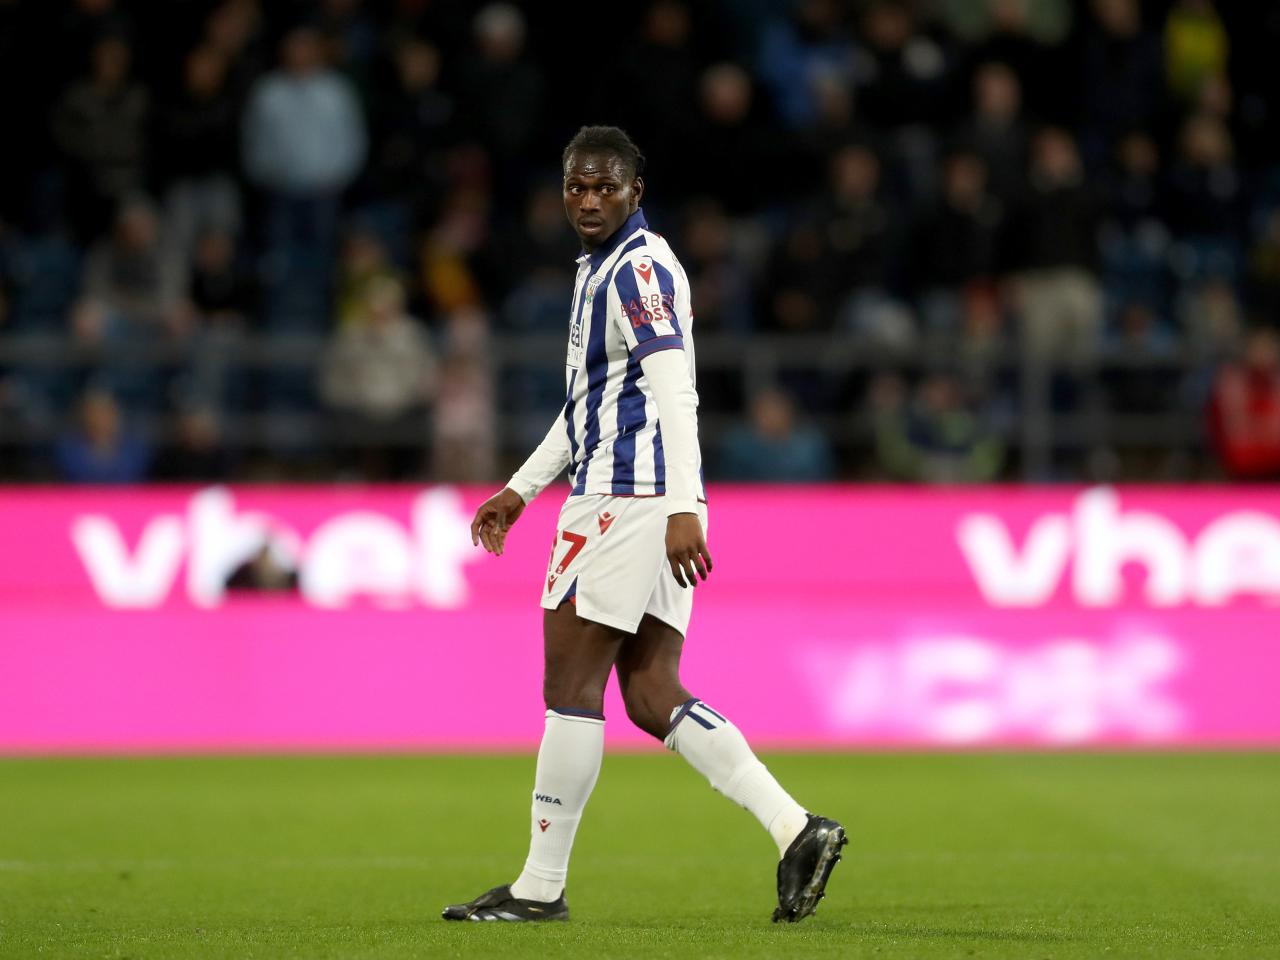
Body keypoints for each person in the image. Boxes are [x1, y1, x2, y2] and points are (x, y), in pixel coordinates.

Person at [443, 126, 846, 925]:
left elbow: (677, 392)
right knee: (651, 692)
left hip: (626, 502)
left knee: (569, 687)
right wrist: (521, 490)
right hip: (647, 501)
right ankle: (795, 828)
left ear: (636, 191)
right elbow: (589, 406)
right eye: (576, 186)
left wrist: (684, 508)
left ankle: (539, 887)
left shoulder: (638, 268)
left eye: (605, 187)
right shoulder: (605, 268)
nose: (588, 200)